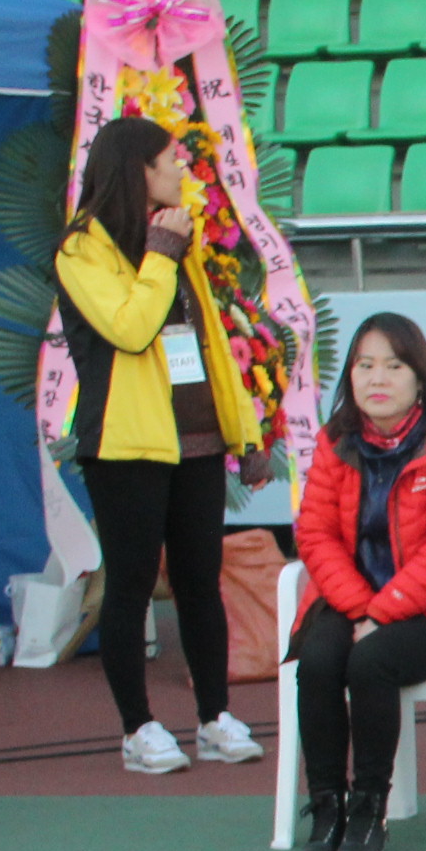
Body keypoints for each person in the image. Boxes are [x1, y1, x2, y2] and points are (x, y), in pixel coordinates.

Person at [54, 112, 271, 778]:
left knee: (201, 581)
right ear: (137, 171)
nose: (182, 170)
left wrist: (245, 433)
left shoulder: (177, 240)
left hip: (198, 439)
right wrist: (160, 255)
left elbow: (210, 346)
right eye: (170, 161)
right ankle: (138, 728)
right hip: (127, 446)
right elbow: (131, 328)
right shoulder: (82, 249)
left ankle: (215, 717)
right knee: (131, 584)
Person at [283, 315, 426, 851]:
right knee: (318, 660)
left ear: (420, 377)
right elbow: (314, 534)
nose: (378, 378)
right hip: (350, 598)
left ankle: (369, 811)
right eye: (365, 365)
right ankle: (326, 809)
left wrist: (383, 612)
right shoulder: (335, 441)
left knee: (370, 662)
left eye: (394, 366)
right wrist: (359, 608)